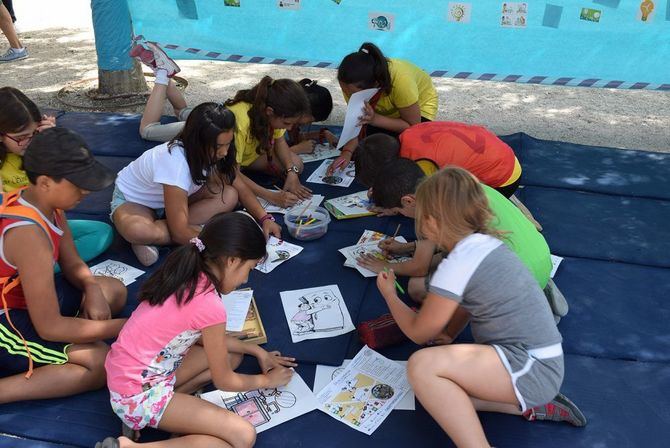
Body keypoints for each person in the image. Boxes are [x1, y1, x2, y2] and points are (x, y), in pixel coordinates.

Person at [375, 167, 585, 447]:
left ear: (432, 222)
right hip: (538, 361)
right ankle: (529, 404)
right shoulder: (482, 244)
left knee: (422, 368)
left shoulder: (458, 263)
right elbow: (468, 301)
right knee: (442, 397)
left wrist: (390, 294)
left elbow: (418, 333)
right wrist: (449, 334)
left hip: (530, 368)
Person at [100, 213, 296, 448]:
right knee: (242, 437)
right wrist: (266, 381)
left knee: (233, 356)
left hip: (128, 376)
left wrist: (256, 351)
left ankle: (165, 416)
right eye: (250, 268)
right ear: (232, 260)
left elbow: (209, 342)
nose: (245, 279)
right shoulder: (209, 305)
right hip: (137, 394)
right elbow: (224, 381)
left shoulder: (188, 270)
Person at [0, 127, 128, 404]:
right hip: (7, 323)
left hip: (29, 304)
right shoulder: (28, 234)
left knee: (113, 290)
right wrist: (133, 325)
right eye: (77, 183)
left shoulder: (47, 203)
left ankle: (74, 343)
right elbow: (49, 327)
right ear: (45, 182)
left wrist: (91, 288)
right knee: (100, 362)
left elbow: (71, 261)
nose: (85, 190)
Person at [112, 102, 281, 267]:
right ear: (197, 141)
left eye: (228, 144)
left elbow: (240, 186)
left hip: (174, 202)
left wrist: (265, 218)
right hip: (135, 201)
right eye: (218, 146)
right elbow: (179, 233)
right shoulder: (176, 163)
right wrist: (224, 248)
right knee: (138, 230)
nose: (224, 152)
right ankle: (149, 235)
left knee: (229, 195)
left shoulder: (216, 153)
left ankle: (155, 236)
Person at [357, 159, 552, 294]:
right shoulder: (456, 184)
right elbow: (453, 247)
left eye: (399, 211)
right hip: (541, 259)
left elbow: (419, 268)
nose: (402, 216)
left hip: (518, 284)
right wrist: (407, 248)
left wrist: (385, 266)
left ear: (408, 201)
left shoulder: (430, 213)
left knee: (417, 288)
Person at [0, 87, 115, 267]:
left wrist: (50, 141)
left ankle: (43, 264)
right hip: (13, 233)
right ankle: (35, 267)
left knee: (101, 233)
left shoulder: (35, 147)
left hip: (44, 222)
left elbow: (70, 176)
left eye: (34, 133)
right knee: (39, 250)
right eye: (21, 137)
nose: (29, 142)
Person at [329, 42, 438, 174]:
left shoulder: (401, 82)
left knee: (401, 151)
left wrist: (375, 119)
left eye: (351, 93)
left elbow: (413, 126)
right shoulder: (350, 86)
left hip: (418, 111)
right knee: (369, 149)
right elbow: (358, 124)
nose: (347, 95)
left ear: (375, 84)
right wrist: (347, 152)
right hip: (378, 116)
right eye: (344, 90)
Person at [355, 121, 522, 198]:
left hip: (503, 179)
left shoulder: (422, 164)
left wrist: (390, 202)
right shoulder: (408, 135)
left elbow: (427, 204)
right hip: (502, 153)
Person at [225, 76, 313, 207]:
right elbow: (232, 172)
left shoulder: (271, 111)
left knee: (296, 164)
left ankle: (248, 178)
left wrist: (291, 172)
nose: (289, 128)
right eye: (287, 123)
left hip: (248, 159)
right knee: (232, 196)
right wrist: (270, 196)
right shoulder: (239, 120)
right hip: (228, 166)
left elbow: (280, 142)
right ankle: (249, 182)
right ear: (269, 111)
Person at [287, 78, 337, 155]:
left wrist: (323, 133)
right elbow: (264, 159)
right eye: (310, 121)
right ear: (304, 110)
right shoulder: (279, 121)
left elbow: (294, 138)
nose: (307, 124)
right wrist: (297, 149)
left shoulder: (292, 118)